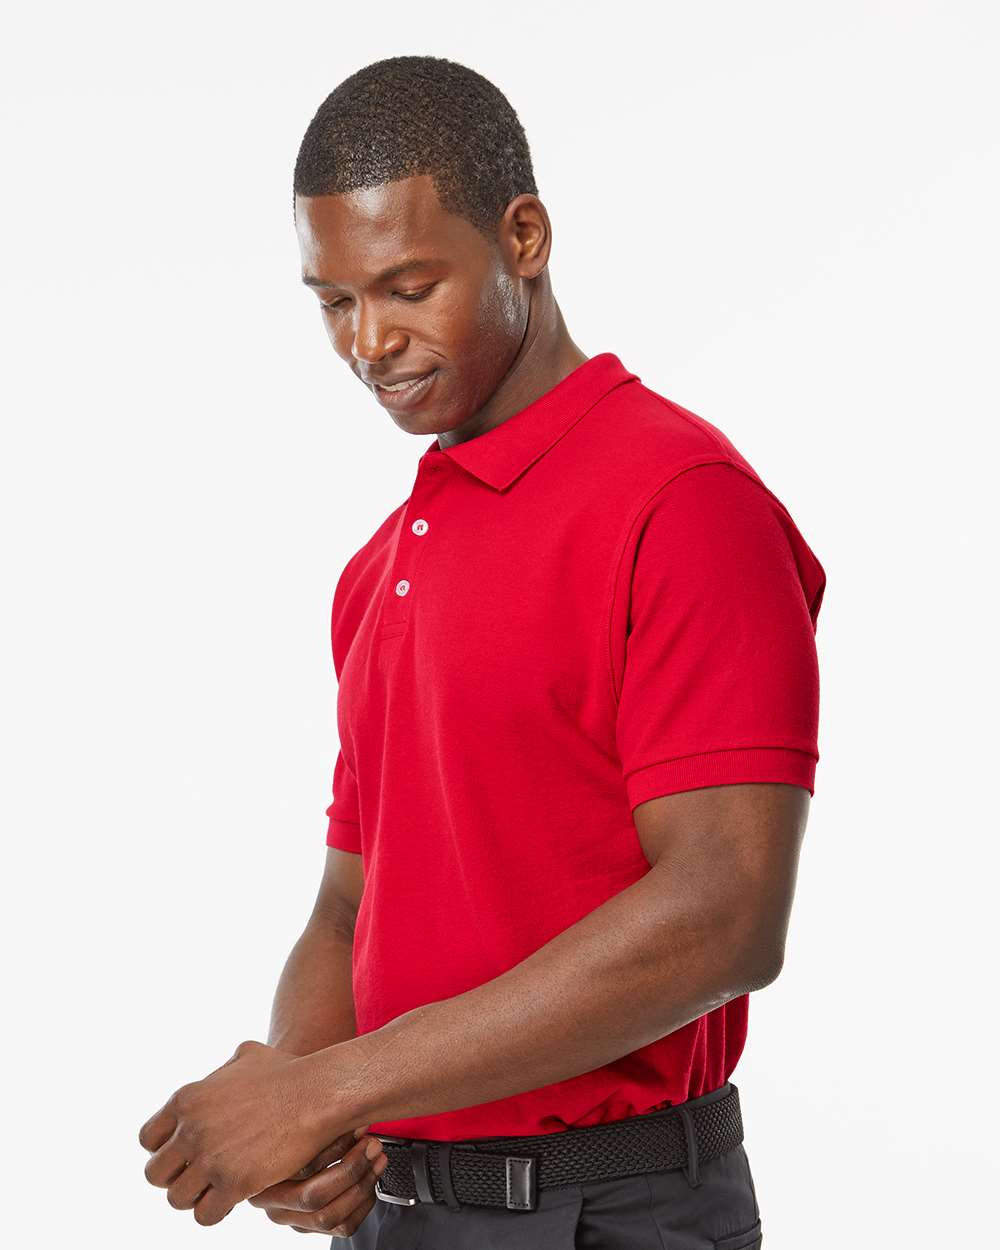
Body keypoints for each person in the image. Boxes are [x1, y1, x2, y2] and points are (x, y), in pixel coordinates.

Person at [138, 55, 826, 1249]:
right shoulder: (378, 567)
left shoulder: (681, 502)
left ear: (523, 238)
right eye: (334, 301)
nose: (369, 340)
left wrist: (331, 1086)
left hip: (611, 1211)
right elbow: (348, 907)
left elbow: (725, 912)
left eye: (408, 287)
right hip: (396, 1215)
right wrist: (306, 1108)